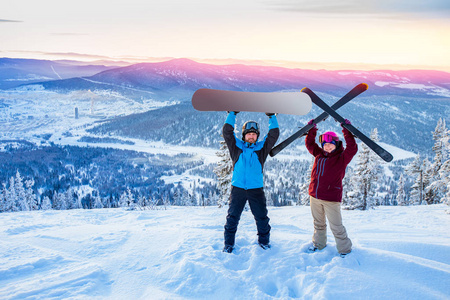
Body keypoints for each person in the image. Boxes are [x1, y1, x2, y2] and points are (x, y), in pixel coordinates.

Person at [222, 111, 279, 253]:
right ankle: (228, 245)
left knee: (262, 218)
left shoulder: (261, 149)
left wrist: (272, 117)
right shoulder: (236, 147)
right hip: (238, 189)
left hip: (256, 190)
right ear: (244, 135)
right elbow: (227, 132)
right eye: (249, 133)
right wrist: (232, 114)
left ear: (257, 136)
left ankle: (264, 243)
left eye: (254, 134)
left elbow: (274, 135)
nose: (251, 136)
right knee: (232, 219)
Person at [305, 119, 357, 257]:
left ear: (336, 144)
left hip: (331, 199)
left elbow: (352, 148)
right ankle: (318, 244)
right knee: (318, 224)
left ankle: (345, 250)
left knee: (336, 227)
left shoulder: (342, 158)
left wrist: (346, 130)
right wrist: (312, 129)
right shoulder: (319, 154)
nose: (327, 147)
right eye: (325, 145)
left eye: (330, 144)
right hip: (314, 196)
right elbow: (309, 144)